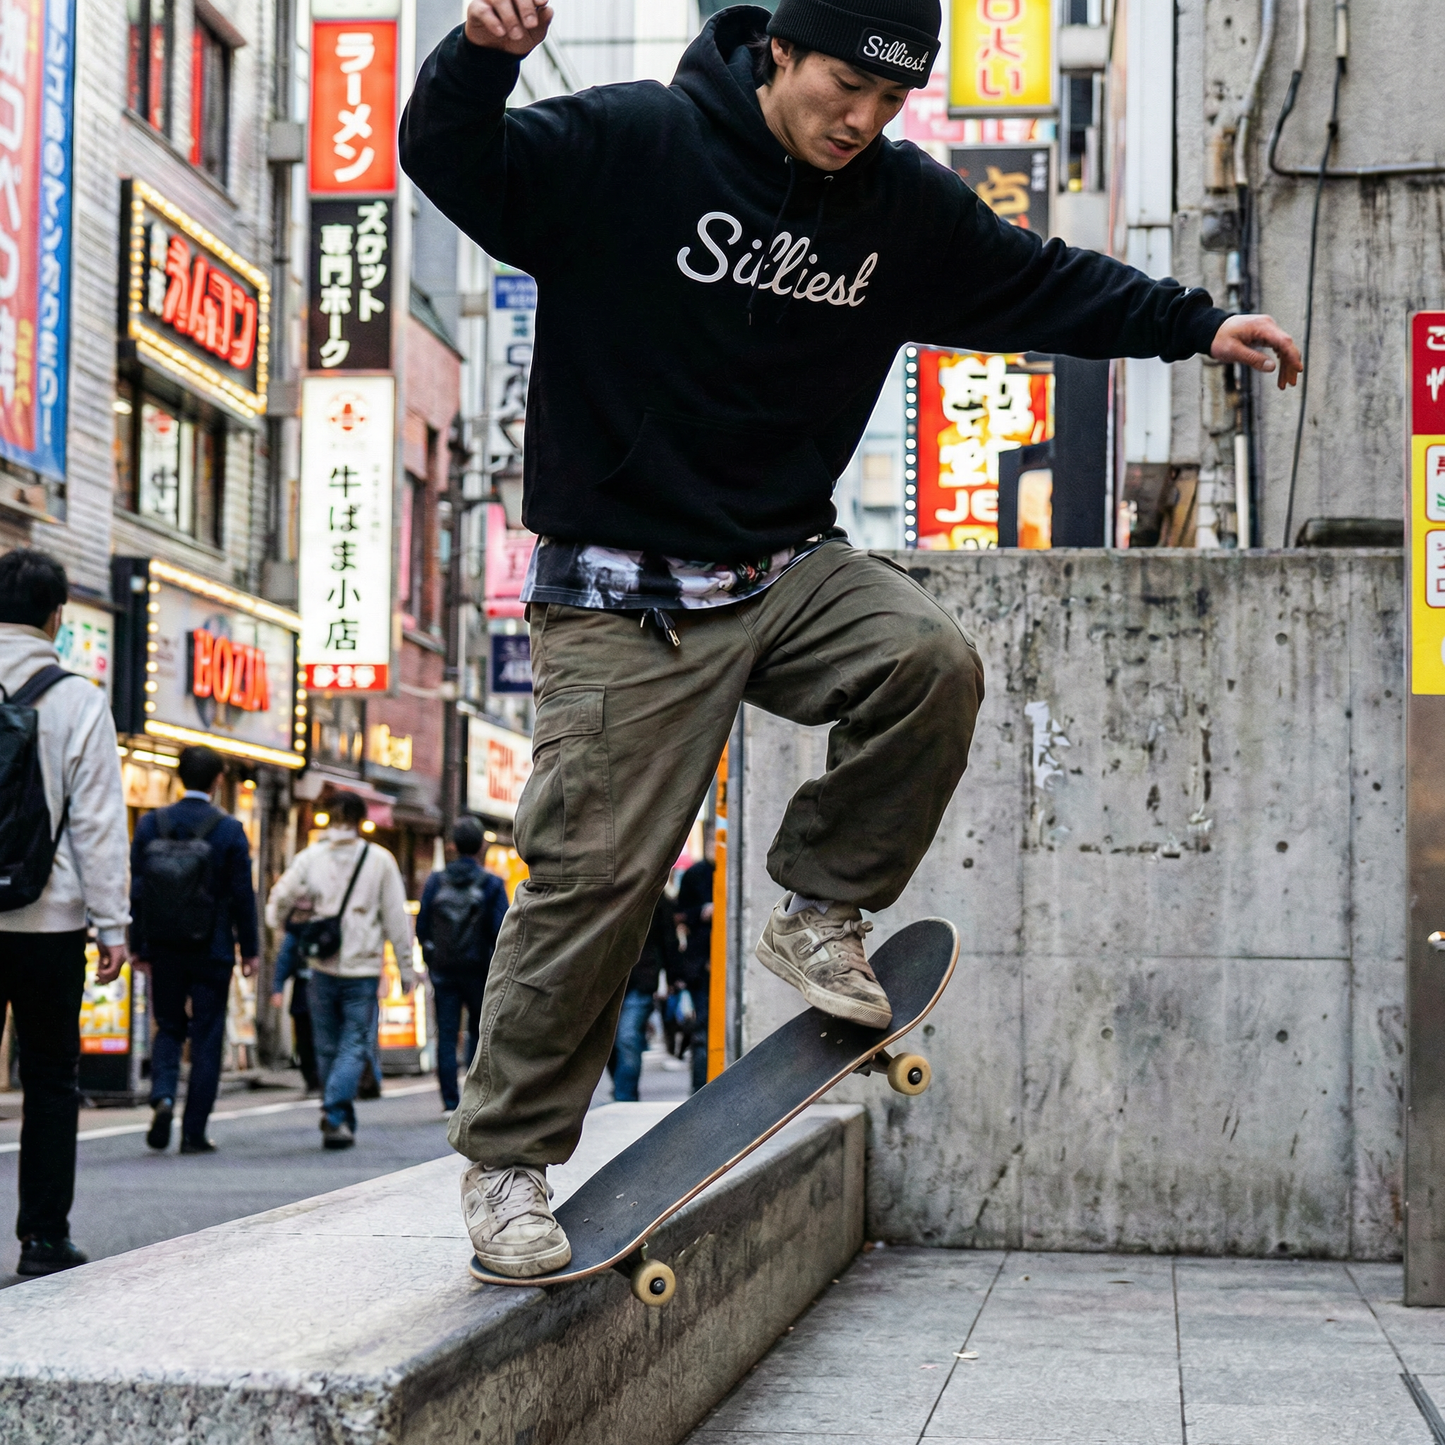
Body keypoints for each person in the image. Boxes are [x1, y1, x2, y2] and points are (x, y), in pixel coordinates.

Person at [400, 0, 1302, 1279]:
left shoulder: (896, 206)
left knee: (925, 659)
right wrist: (480, 55)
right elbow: (454, 161)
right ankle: (508, 1164)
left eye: (889, 101)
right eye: (841, 89)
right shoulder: (635, 144)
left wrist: (1194, 321)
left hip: (783, 565)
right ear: (776, 51)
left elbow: (1037, 279)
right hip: (624, 593)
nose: (861, 122)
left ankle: (820, 906)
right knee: (595, 879)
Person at [0, 548, 130, 1276]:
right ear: (57, 616)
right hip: (49, 921)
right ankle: (43, 1237)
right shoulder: (77, 698)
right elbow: (99, 824)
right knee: (50, 1077)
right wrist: (112, 923)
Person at [130, 746, 260, 1154]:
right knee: (207, 1035)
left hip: (164, 947)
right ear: (218, 781)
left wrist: (138, 945)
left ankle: (164, 1095)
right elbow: (243, 895)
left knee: (168, 1025)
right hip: (213, 948)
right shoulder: (228, 830)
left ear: (179, 775)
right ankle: (194, 1131)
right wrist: (250, 949)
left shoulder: (152, 824)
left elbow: (138, 890)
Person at [265, 792, 413, 1149]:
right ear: (361, 820)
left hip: (321, 964)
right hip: (362, 967)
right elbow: (396, 918)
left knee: (327, 1044)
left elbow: (280, 897)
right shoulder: (379, 860)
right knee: (355, 1042)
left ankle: (338, 1116)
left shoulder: (310, 857)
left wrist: (278, 922)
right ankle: (335, 1112)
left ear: (328, 819)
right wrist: (406, 970)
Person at [417, 817, 509, 1114]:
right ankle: (474, 1096)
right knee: (479, 1032)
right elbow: (502, 930)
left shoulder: (435, 881)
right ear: (482, 845)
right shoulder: (492, 884)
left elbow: (422, 927)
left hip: (444, 970)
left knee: (446, 1033)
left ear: (452, 845)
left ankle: (449, 1101)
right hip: (479, 969)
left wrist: (432, 958)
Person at [607, 892, 679, 1103]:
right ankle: (621, 1088)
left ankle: (625, 1097)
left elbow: (668, 936)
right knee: (608, 1044)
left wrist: (675, 975)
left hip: (640, 979)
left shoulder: (654, 894)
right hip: (606, 984)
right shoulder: (604, 890)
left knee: (628, 1038)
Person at [676, 834, 716, 1093]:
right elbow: (679, 915)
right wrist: (702, 912)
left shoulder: (734, 872)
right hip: (701, 966)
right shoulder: (695, 875)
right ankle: (700, 1088)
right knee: (702, 1030)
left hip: (714, 964)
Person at [270, 927, 321, 1094]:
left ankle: (319, 1079)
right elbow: (284, 959)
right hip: (305, 992)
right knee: (305, 1039)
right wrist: (277, 987)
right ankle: (313, 1080)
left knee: (312, 1038)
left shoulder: (326, 924)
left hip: (318, 991)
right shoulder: (296, 932)